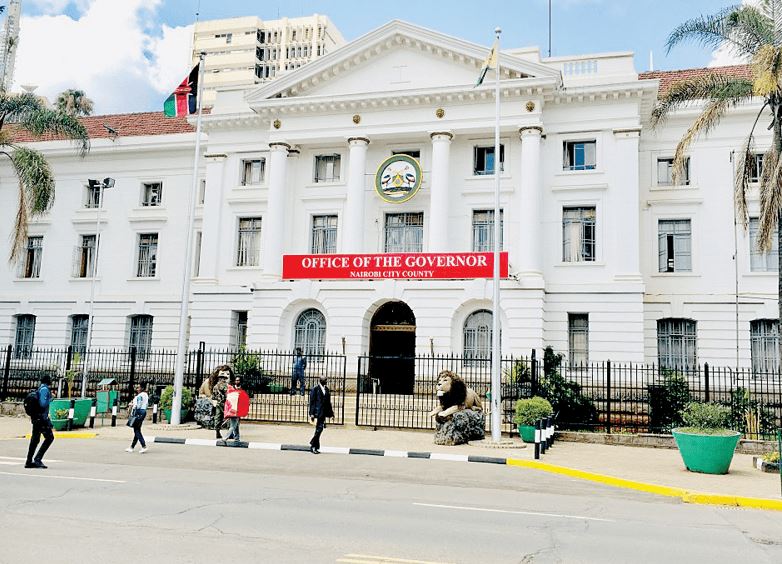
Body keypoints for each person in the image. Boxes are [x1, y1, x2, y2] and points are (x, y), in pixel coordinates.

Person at [26, 374, 54, 469]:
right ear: (48, 381)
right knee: (50, 437)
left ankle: (29, 461)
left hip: (36, 418)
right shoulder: (45, 389)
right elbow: (42, 404)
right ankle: (37, 459)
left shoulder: (40, 388)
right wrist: (50, 399)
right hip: (41, 419)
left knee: (35, 440)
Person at [308, 375, 334, 454]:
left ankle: (315, 446)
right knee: (319, 429)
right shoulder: (315, 389)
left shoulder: (326, 389)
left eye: (326, 380)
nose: (326, 381)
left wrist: (331, 413)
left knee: (319, 429)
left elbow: (328, 403)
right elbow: (312, 402)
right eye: (325, 380)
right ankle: (313, 445)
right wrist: (312, 413)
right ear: (321, 381)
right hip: (317, 412)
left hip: (323, 412)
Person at [125, 382, 149, 453]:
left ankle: (144, 446)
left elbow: (138, 405)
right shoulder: (145, 395)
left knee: (137, 430)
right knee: (137, 430)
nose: (137, 389)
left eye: (138, 387)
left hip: (138, 412)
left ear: (142, 388)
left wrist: (132, 405)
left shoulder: (140, 396)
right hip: (143, 412)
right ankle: (132, 447)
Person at [211, 365, 232, 440]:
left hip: (217, 404)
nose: (224, 379)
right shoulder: (224, 386)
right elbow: (227, 394)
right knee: (229, 417)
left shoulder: (215, 386)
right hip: (225, 403)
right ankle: (230, 433)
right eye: (224, 378)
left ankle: (217, 431)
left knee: (218, 418)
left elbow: (213, 396)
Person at [225, 375, 243, 442]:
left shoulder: (242, 389)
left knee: (236, 424)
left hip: (239, 409)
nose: (237, 381)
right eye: (236, 380)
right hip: (233, 408)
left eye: (238, 380)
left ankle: (237, 438)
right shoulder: (232, 389)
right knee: (233, 424)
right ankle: (226, 437)